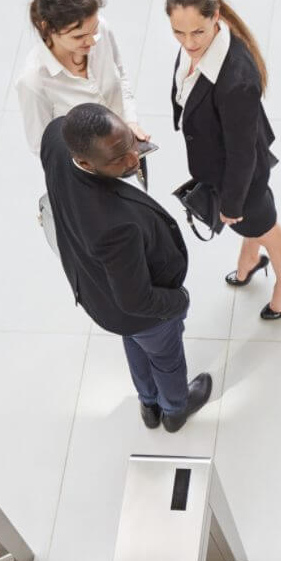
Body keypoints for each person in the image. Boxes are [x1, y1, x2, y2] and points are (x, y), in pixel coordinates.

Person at [41, 103, 212, 432]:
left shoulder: (55, 137)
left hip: (99, 295)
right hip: (140, 309)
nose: (134, 159)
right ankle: (175, 409)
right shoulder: (113, 226)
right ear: (86, 161)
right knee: (165, 356)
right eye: (118, 159)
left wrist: (121, 145)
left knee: (134, 342)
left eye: (129, 145)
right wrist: (180, 300)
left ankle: (149, 403)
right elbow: (137, 301)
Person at [165, 0, 281, 319]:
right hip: (225, 166)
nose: (188, 42)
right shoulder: (200, 48)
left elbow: (243, 154)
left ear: (216, 17)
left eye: (197, 31)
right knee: (252, 226)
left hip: (240, 178)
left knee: (266, 227)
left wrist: (232, 203)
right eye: (178, 32)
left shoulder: (235, 81)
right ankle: (250, 258)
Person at [16, 0, 149, 156]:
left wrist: (130, 122)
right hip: (86, 175)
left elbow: (121, 77)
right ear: (48, 29)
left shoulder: (100, 29)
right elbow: (44, 148)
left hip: (128, 149)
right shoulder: (34, 81)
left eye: (92, 31)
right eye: (78, 37)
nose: (92, 42)